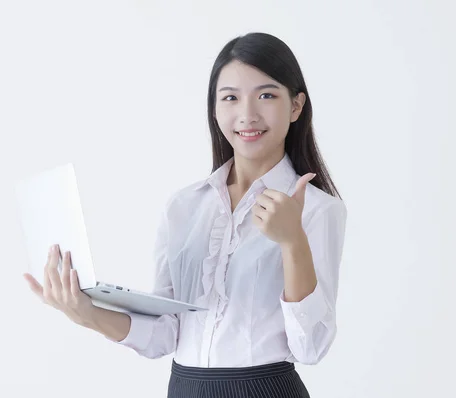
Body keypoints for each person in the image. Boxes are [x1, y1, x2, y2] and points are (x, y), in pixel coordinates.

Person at [24, 32, 348, 398]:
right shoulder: (184, 206)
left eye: (267, 95)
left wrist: (293, 243)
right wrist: (86, 313)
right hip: (185, 388)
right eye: (230, 98)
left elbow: (311, 347)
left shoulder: (319, 210)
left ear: (295, 106)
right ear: (214, 108)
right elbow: (166, 334)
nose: (247, 114)